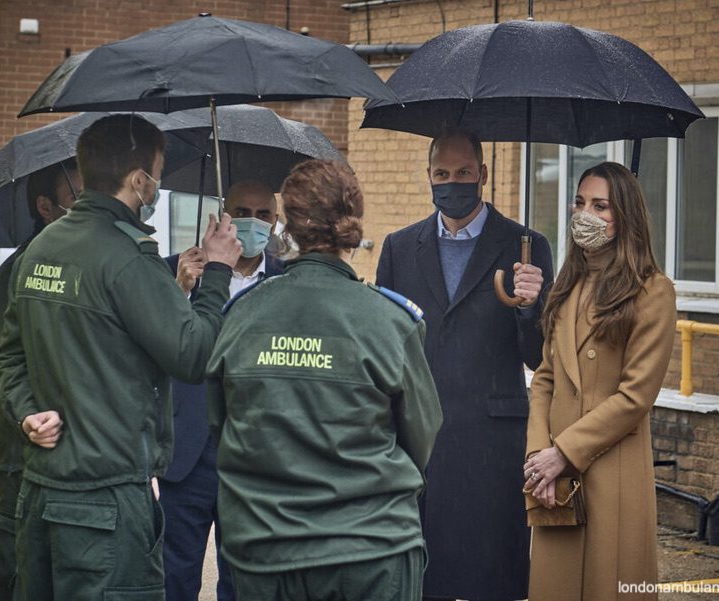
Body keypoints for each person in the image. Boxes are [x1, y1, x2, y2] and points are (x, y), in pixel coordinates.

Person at [0, 114, 241, 600]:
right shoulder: (129, 256)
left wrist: (27, 414)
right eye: (157, 173)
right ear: (138, 181)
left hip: (40, 492)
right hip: (106, 501)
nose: (157, 184)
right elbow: (192, 355)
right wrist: (216, 273)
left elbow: (10, 356)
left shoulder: (43, 247)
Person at [207, 159, 443, 601]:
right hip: (370, 549)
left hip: (266, 548)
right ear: (353, 220)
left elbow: (222, 427)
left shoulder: (240, 316)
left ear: (287, 227)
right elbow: (421, 437)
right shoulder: (391, 319)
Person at [375, 129, 552, 600]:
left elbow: (540, 357)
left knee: (493, 575)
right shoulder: (398, 247)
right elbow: (386, 346)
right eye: (442, 174)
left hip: (492, 442)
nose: (452, 183)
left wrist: (530, 307)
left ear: (484, 175)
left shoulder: (527, 246)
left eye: (463, 173)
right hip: (419, 441)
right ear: (428, 177)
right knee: (420, 573)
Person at [523, 161, 676, 600]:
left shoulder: (653, 291)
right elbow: (545, 379)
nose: (584, 214)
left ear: (623, 215)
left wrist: (564, 453)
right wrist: (539, 460)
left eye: (600, 205)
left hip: (611, 475)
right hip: (556, 483)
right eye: (579, 202)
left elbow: (635, 397)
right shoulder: (566, 287)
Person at [160, 179, 284, 601]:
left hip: (254, 454)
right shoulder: (176, 269)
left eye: (263, 214)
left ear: (277, 221)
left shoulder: (288, 282)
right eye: (242, 213)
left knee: (244, 581)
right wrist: (179, 290)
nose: (252, 223)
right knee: (172, 577)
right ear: (221, 217)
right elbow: (154, 348)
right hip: (189, 452)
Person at [0, 158, 81, 601]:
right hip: (23, 450)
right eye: (78, 196)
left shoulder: (77, 263)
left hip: (60, 452)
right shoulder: (21, 270)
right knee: (16, 563)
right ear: (45, 206)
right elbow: (17, 364)